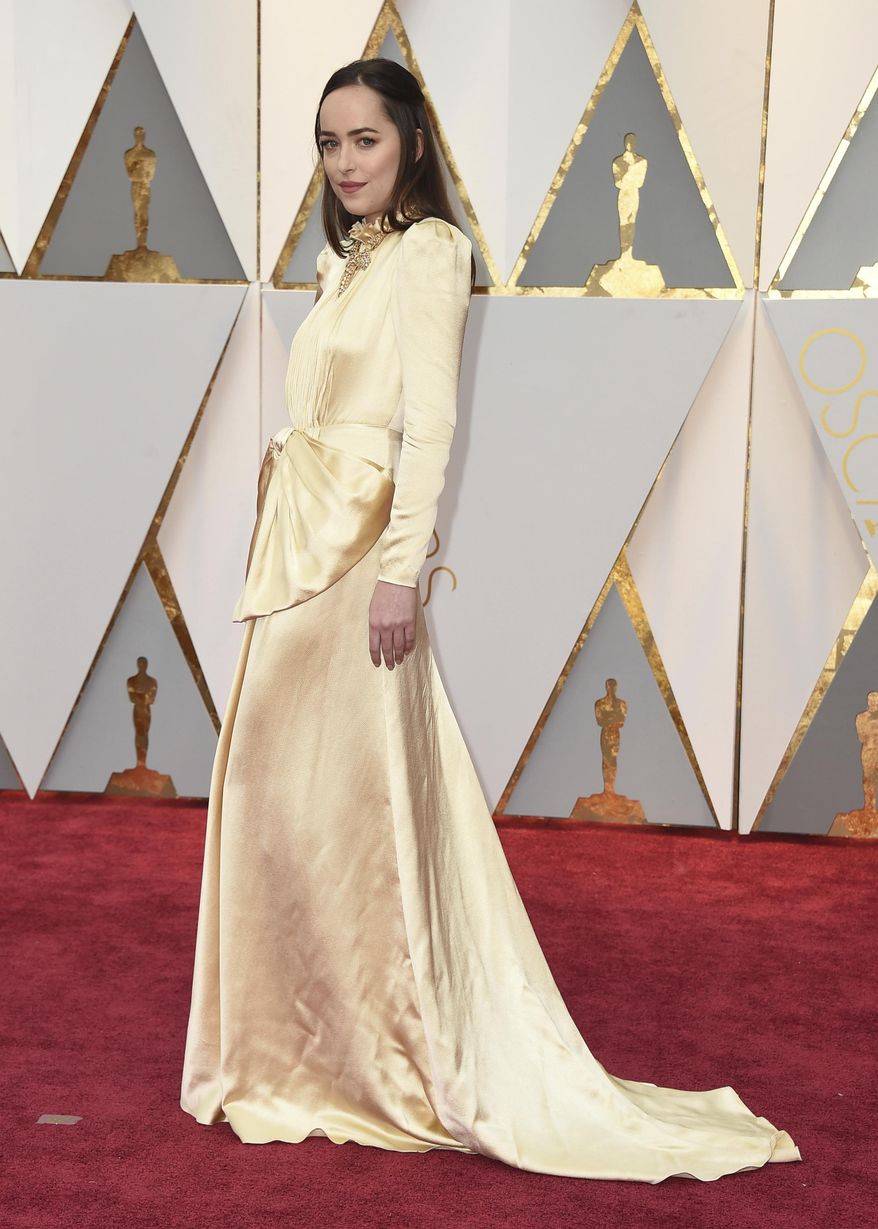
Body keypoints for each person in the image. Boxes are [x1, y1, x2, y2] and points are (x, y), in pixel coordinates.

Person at [179, 57, 802, 1183]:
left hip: (360, 553)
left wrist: (400, 572)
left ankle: (380, 1048)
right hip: (301, 551)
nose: (344, 161)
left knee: (348, 808)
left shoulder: (429, 253)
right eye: (328, 143)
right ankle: (299, 1043)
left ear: (411, 143)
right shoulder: (343, 262)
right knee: (288, 802)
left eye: (364, 138)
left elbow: (430, 426)